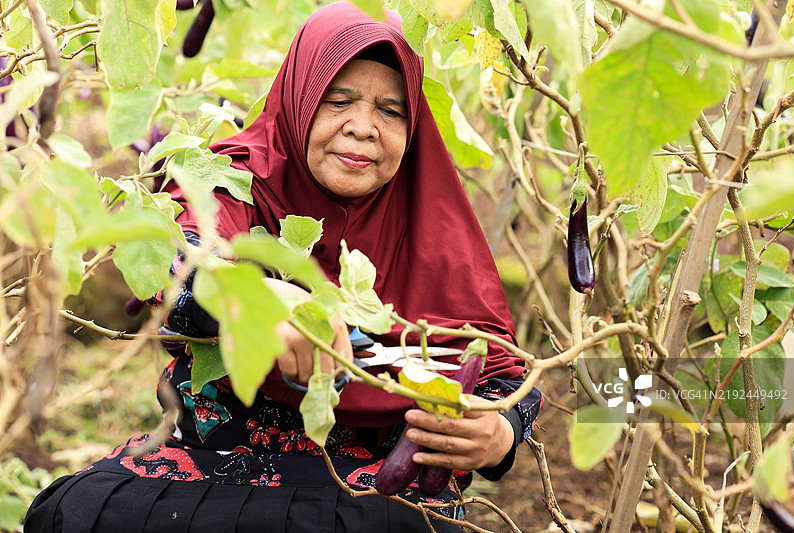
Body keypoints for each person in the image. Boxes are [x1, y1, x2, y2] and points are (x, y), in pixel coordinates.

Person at [24, 2, 542, 532]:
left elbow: (501, 373)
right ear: (300, 98)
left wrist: (499, 433)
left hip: (371, 488)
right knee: (77, 514)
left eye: (391, 111)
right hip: (207, 469)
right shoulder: (232, 178)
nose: (363, 128)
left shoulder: (433, 221)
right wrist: (257, 296)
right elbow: (172, 258)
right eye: (338, 100)